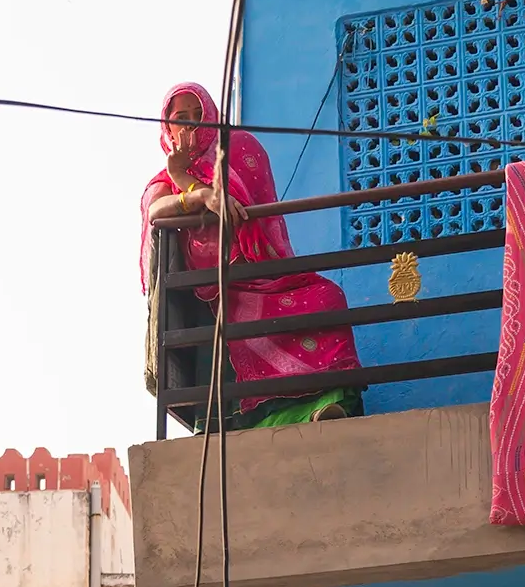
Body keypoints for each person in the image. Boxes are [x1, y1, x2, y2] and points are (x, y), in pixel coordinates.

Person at [141, 82, 362, 426]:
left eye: (199, 115)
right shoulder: (166, 177)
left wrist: (202, 187)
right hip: (216, 288)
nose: (191, 125)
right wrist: (188, 184)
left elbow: (237, 198)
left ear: (214, 117)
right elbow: (156, 210)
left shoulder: (236, 147)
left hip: (263, 275)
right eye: (181, 118)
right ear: (167, 127)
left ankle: (327, 406)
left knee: (328, 297)